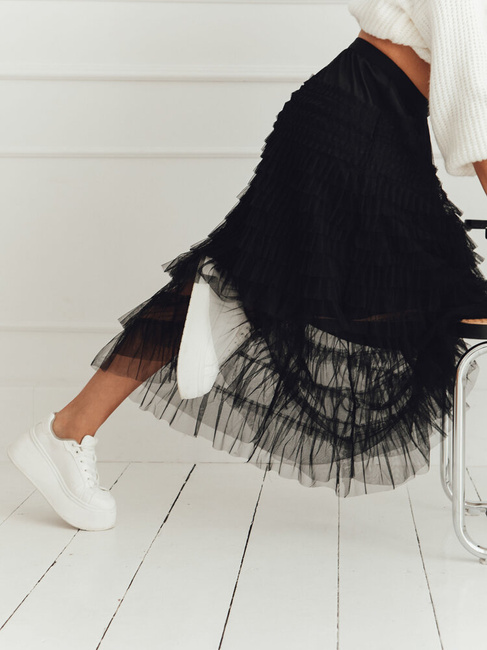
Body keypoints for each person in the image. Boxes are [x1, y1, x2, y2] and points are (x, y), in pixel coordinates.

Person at [8, 0, 487, 531]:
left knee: (387, 285)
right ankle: (79, 422)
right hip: (358, 128)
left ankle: (71, 427)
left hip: (364, 123)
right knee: (434, 288)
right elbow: (474, 94)